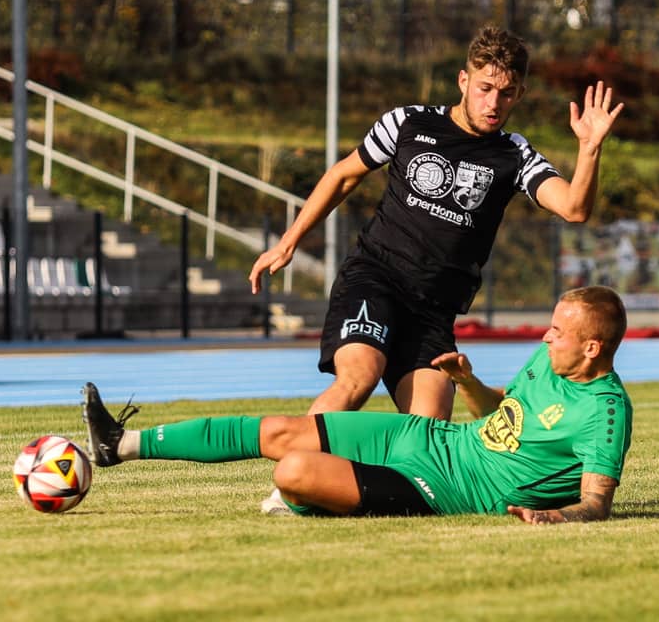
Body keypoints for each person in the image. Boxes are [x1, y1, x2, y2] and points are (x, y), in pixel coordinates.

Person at [248, 25, 624, 423]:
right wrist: (287, 242)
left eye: (507, 93)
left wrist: (590, 149)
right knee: (360, 377)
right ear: (463, 81)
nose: (493, 103)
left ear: (520, 94)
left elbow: (574, 209)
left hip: (434, 310)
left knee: (428, 428)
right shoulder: (407, 123)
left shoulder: (514, 155)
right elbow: (343, 176)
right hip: (376, 279)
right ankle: (290, 464)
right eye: (484, 88)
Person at [81, 287, 632, 524]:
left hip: (442, 489)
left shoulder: (606, 411)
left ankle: (309, 501)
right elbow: (498, 415)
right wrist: (469, 383)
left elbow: (597, 503)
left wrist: (556, 515)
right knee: (281, 431)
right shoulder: (548, 361)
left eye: (558, 332)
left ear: (591, 347)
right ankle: (120, 445)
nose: (545, 336)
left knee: (293, 472)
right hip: (427, 439)